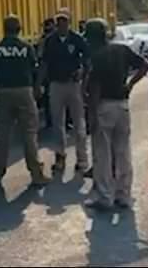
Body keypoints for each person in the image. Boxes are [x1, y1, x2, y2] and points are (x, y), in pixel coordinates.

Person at [84, 17, 148, 211]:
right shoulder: (122, 50)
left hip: (104, 106)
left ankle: (104, 197)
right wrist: (130, 84)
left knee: (102, 154)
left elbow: (94, 88)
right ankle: (124, 195)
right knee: (123, 152)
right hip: (122, 105)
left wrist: (92, 115)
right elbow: (145, 65)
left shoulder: (97, 56)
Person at [0, 15, 50, 189]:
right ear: (19, 29)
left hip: (3, 92)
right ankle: (36, 175)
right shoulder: (26, 47)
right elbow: (33, 67)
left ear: (4, 29)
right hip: (24, 90)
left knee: (2, 136)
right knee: (29, 134)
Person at [42, 10, 91, 176]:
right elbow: (44, 63)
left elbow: (87, 60)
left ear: (69, 23)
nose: (61, 25)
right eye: (59, 22)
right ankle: (60, 157)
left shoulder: (77, 39)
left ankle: (82, 159)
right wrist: (39, 85)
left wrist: (83, 73)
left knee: (79, 124)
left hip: (73, 84)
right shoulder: (50, 41)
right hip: (56, 84)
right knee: (58, 124)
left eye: (64, 22)